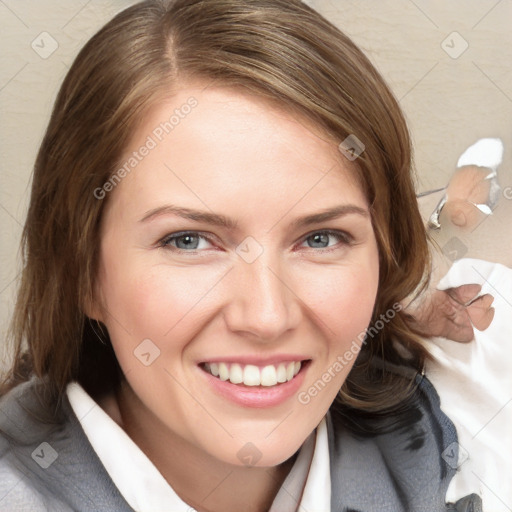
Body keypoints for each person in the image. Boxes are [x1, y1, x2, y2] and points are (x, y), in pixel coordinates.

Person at [0, 0, 483, 510]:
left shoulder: (470, 435)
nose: (267, 317)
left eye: (320, 238)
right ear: (83, 272)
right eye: (188, 240)